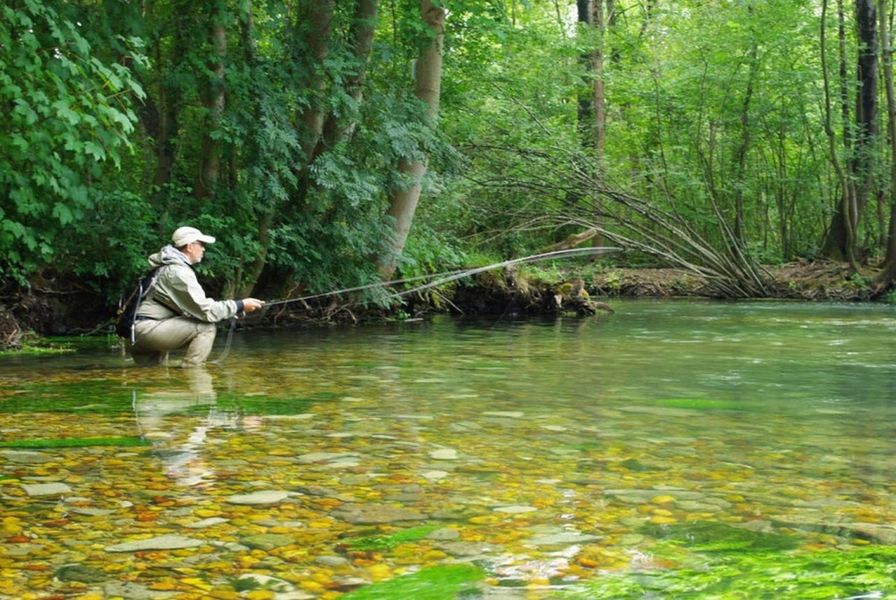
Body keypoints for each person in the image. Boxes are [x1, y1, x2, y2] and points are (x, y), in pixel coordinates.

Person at [129, 226, 264, 367]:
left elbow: (191, 311)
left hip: (136, 333)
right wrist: (240, 305)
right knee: (206, 328)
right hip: (148, 331)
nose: (204, 249)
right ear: (189, 246)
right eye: (201, 244)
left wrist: (236, 309)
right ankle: (193, 373)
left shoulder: (164, 266)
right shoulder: (177, 272)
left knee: (154, 377)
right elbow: (205, 311)